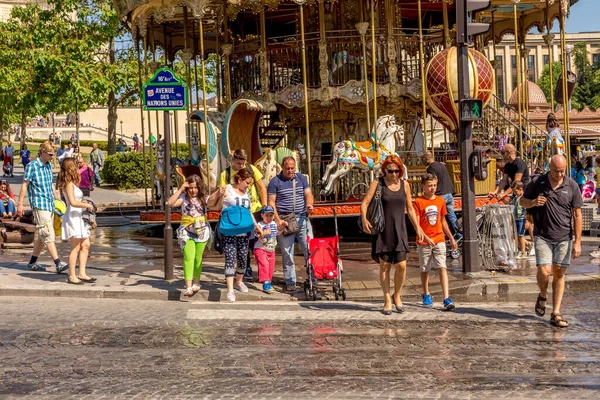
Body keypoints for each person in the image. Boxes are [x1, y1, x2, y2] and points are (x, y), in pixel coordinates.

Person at [521, 155, 583, 328]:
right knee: (544, 270)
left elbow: (577, 215)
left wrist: (578, 242)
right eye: (556, 171)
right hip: (542, 235)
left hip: (564, 236)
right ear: (550, 167)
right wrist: (533, 202)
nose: (559, 174)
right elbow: (522, 201)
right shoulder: (538, 182)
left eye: (562, 171)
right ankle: (542, 293)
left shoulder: (571, 185)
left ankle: (556, 312)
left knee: (559, 273)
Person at [360, 155, 424, 315]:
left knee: (402, 265)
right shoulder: (378, 183)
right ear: (385, 170)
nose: (394, 174)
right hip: (383, 230)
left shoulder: (405, 185)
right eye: (390, 171)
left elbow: (410, 208)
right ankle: (387, 299)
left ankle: (397, 295)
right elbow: (365, 202)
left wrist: (418, 228)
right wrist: (364, 219)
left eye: (397, 171)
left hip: (400, 229)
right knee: (385, 266)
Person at [208, 168, 262, 302]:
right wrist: (218, 194)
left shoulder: (246, 194)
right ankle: (230, 290)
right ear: (239, 180)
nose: (248, 186)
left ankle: (239, 281)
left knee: (243, 259)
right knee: (230, 259)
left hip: (244, 232)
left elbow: (248, 212)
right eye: (247, 183)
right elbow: (210, 204)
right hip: (229, 231)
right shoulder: (227, 189)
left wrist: (257, 226)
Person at [16, 141, 68, 273]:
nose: (52, 156)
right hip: (39, 205)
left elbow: (50, 184)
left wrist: (58, 199)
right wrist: (20, 204)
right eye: (50, 154)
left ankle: (32, 262)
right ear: (43, 152)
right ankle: (58, 263)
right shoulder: (32, 166)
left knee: (41, 235)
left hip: (49, 204)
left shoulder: (48, 165)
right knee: (48, 233)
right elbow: (25, 185)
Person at [218, 149, 267, 282]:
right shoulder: (226, 173)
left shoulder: (251, 168)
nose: (241, 166)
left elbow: (262, 187)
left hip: (253, 208)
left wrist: (264, 207)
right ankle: (245, 267)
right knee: (239, 241)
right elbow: (222, 193)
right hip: (234, 213)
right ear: (233, 160)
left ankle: (255, 268)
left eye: (243, 163)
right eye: (239, 163)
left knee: (252, 241)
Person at [268, 156, 314, 292]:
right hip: (285, 220)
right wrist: (277, 220)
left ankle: (313, 276)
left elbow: (308, 194)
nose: (290, 171)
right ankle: (290, 280)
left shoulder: (301, 178)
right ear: (282, 167)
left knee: (310, 249)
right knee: (287, 253)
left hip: (301, 218)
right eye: (287, 168)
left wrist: (310, 204)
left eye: (292, 168)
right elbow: (271, 202)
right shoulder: (275, 181)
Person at [413, 173, 457, 310]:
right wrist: (425, 237)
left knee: (441, 266)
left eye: (434, 185)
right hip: (424, 240)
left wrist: (451, 237)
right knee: (425, 268)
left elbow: (443, 220)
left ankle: (446, 297)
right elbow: (416, 223)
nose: (432, 188)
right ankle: (426, 293)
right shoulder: (418, 202)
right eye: (429, 186)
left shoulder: (440, 201)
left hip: (439, 238)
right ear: (423, 186)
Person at [167, 174, 211, 297]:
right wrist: (180, 189)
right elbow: (170, 203)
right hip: (186, 232)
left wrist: (220, 193)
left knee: (198, 259)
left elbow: (214, 203)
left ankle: (197, 282)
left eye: (196, 188)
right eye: (191, 188)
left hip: (201, 231)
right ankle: (188, 286)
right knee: (188, 257)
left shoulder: (204, 198)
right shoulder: (183, 198)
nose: (193, 190)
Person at [57, 158, 95, 285]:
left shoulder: (72, 183)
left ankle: (82, 273)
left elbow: (75, 201)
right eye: (75, 164)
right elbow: (72, 203)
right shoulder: (68, 183)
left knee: (86, 244)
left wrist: (83, 202)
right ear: (70, 167)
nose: (78, 166)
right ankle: (72, 275)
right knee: (76, 246)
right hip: (73, 217)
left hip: (78, 216)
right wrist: (86, 206)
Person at [422, 151, 460, 238]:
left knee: (437, 216)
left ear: (427, 158)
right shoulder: (441, 165)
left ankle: (439, 234)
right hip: (449, 193)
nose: (422, 162)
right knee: (451, 216)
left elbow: (433, 180)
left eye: (422, 160)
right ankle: (459, 234)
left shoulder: (430, 168)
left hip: (440, 194)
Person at [254, 205, 278, 293]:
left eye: (271, 216)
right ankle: (266, 282)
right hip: (260, 248)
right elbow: (256, 237)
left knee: (270, 267)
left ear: (274, 216)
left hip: (271, 249)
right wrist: (263, 233)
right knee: (264, 265)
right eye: (267, 215)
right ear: (262, 215)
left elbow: (277, 234)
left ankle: (268, 281)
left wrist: (282, 229)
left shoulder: (274, 224)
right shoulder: (259, 225)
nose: (269, 218)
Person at [510, 181, 534, 259]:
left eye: (516, 191)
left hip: (521, 219)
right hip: (516, 219)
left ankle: (523, 251)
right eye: (514, 192)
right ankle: (519, 250)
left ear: (520, 189)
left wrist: (527, 220)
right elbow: (510, 204)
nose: (515, 193)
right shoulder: (516, 198)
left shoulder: (524, 198)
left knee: (520, 236)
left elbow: (527, 209)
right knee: (516, 236)